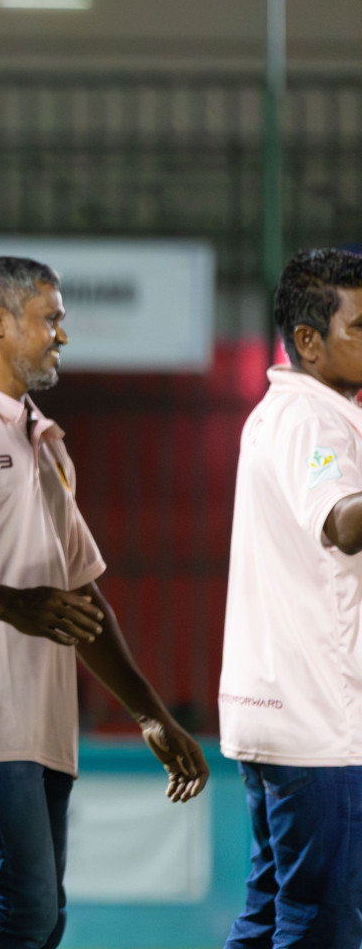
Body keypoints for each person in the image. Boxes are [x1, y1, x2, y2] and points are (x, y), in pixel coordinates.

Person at [0, 256, 209, 949]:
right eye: (51, 319)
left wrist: (152, 715)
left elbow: (80, 597)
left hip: (44, 722)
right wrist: (13, 606)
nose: (61, 336)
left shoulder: (44, 439)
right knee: (24, 912)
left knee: (45, 922)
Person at [220, 248, 362, 947]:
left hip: (282, 713)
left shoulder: (294, 413)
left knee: (272, 912)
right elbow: (343, 521)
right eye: (360, 327)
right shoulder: (312, 421)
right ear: (309, 340)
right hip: (317, 726)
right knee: (321, 926)